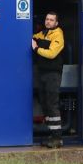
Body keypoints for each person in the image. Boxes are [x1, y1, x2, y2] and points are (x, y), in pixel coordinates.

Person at [32, 11, 65, 148]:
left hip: (53, 75)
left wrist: (36, 49)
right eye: (47, 19)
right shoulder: (43, 33)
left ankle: (57, 138)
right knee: (45, 104)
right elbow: (33, 37)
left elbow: (51, 54)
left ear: (56, 23)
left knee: (52, 105)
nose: (48, 22)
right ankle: (52, 135)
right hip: (42, 74)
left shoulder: (58, 35)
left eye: (51, 20)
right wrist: (34, 40)